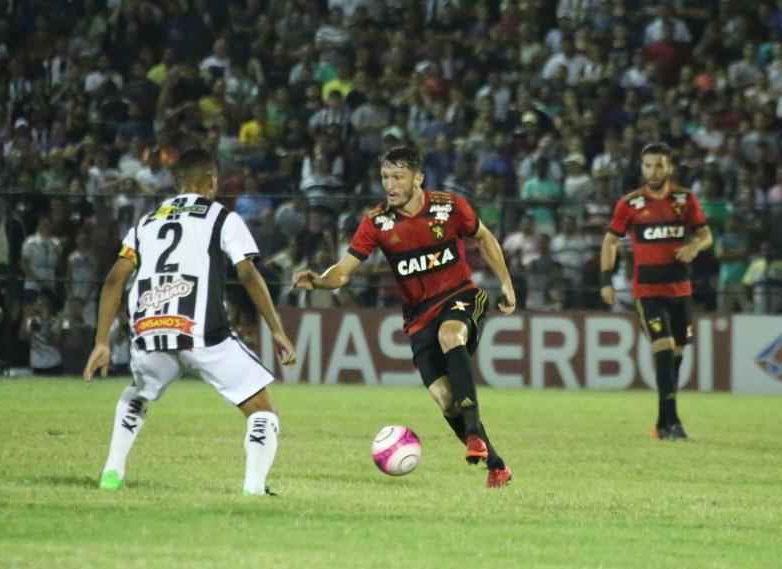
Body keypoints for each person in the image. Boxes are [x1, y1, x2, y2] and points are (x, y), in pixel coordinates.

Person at [292, 146, 517, 488]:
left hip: (462, 296)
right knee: (444, 399)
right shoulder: (377, 221)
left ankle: (473, 433)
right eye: (385, 177)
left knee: (450, 335)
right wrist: (320, 280)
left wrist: (506, 283)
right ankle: (496, 466)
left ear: (418, 178)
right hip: (418, 317)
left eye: (398, 177)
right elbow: (344, 272)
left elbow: (483, 237)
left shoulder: (450, 207)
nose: (390, 185)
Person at [83, 148, 297, 495]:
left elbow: (113, 280)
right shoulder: (222, 217)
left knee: (137, 394)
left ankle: (112, 471)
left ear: (177, 182)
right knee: (262, 411)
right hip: (203, 333)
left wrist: (102, 342)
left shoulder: (146, 222)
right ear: (212, 181)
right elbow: (248, 273)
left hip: (150, 330)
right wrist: (276, 329)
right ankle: (255, 488)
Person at [600, 143, 712, 440]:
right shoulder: (630, 203)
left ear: (669, 167)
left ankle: (663, 422)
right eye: (648, 166)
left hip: (680, 289)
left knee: (677, 351)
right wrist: (605, 280)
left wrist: (694, 246)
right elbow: (610, 241)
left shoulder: (684, 200)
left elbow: (706, 235)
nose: (653, 171)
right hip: (647, 290)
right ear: (642, 167)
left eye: (659, 165)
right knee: (661, 345)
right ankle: (672, 421)